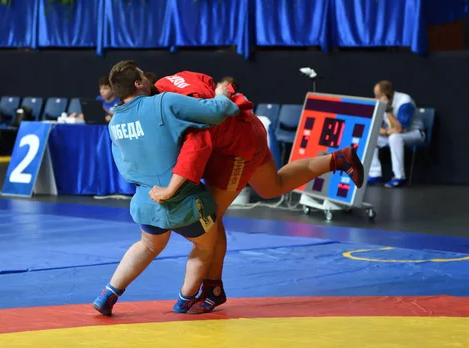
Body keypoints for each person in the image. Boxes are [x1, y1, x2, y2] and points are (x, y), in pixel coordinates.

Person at [151, 71, 365, 313]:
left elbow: (195, 151)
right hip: (246, 127)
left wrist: (169, 189)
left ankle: (213, 289)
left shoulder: (181, 113)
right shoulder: (171, 81)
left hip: (237, 146)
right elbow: (213, 84)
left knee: (210, 218)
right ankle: (337, 160)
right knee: (272, 186)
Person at [92, 60, 240, 316]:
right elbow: (215, 112)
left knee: (148, 245)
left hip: (146, 202)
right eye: (142, 76)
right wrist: (222, 95)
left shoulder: (114, 122)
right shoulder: (163, 102)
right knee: (207, 244)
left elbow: (125, 167)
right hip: (184, 202)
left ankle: (108, 293)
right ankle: (185, 299)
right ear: (138, 83)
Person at [369, 80, 425, 188]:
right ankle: (375, 174)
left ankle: (399, 177)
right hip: (392, 134)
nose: (375, 99)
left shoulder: (405, 102)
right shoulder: (380, 103)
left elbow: (399, 129)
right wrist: (385, 132)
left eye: (377, 96)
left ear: (385, 96)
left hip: (415, 134)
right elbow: (374, 127)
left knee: (395, 137)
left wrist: (388, 109)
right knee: (370, 136)